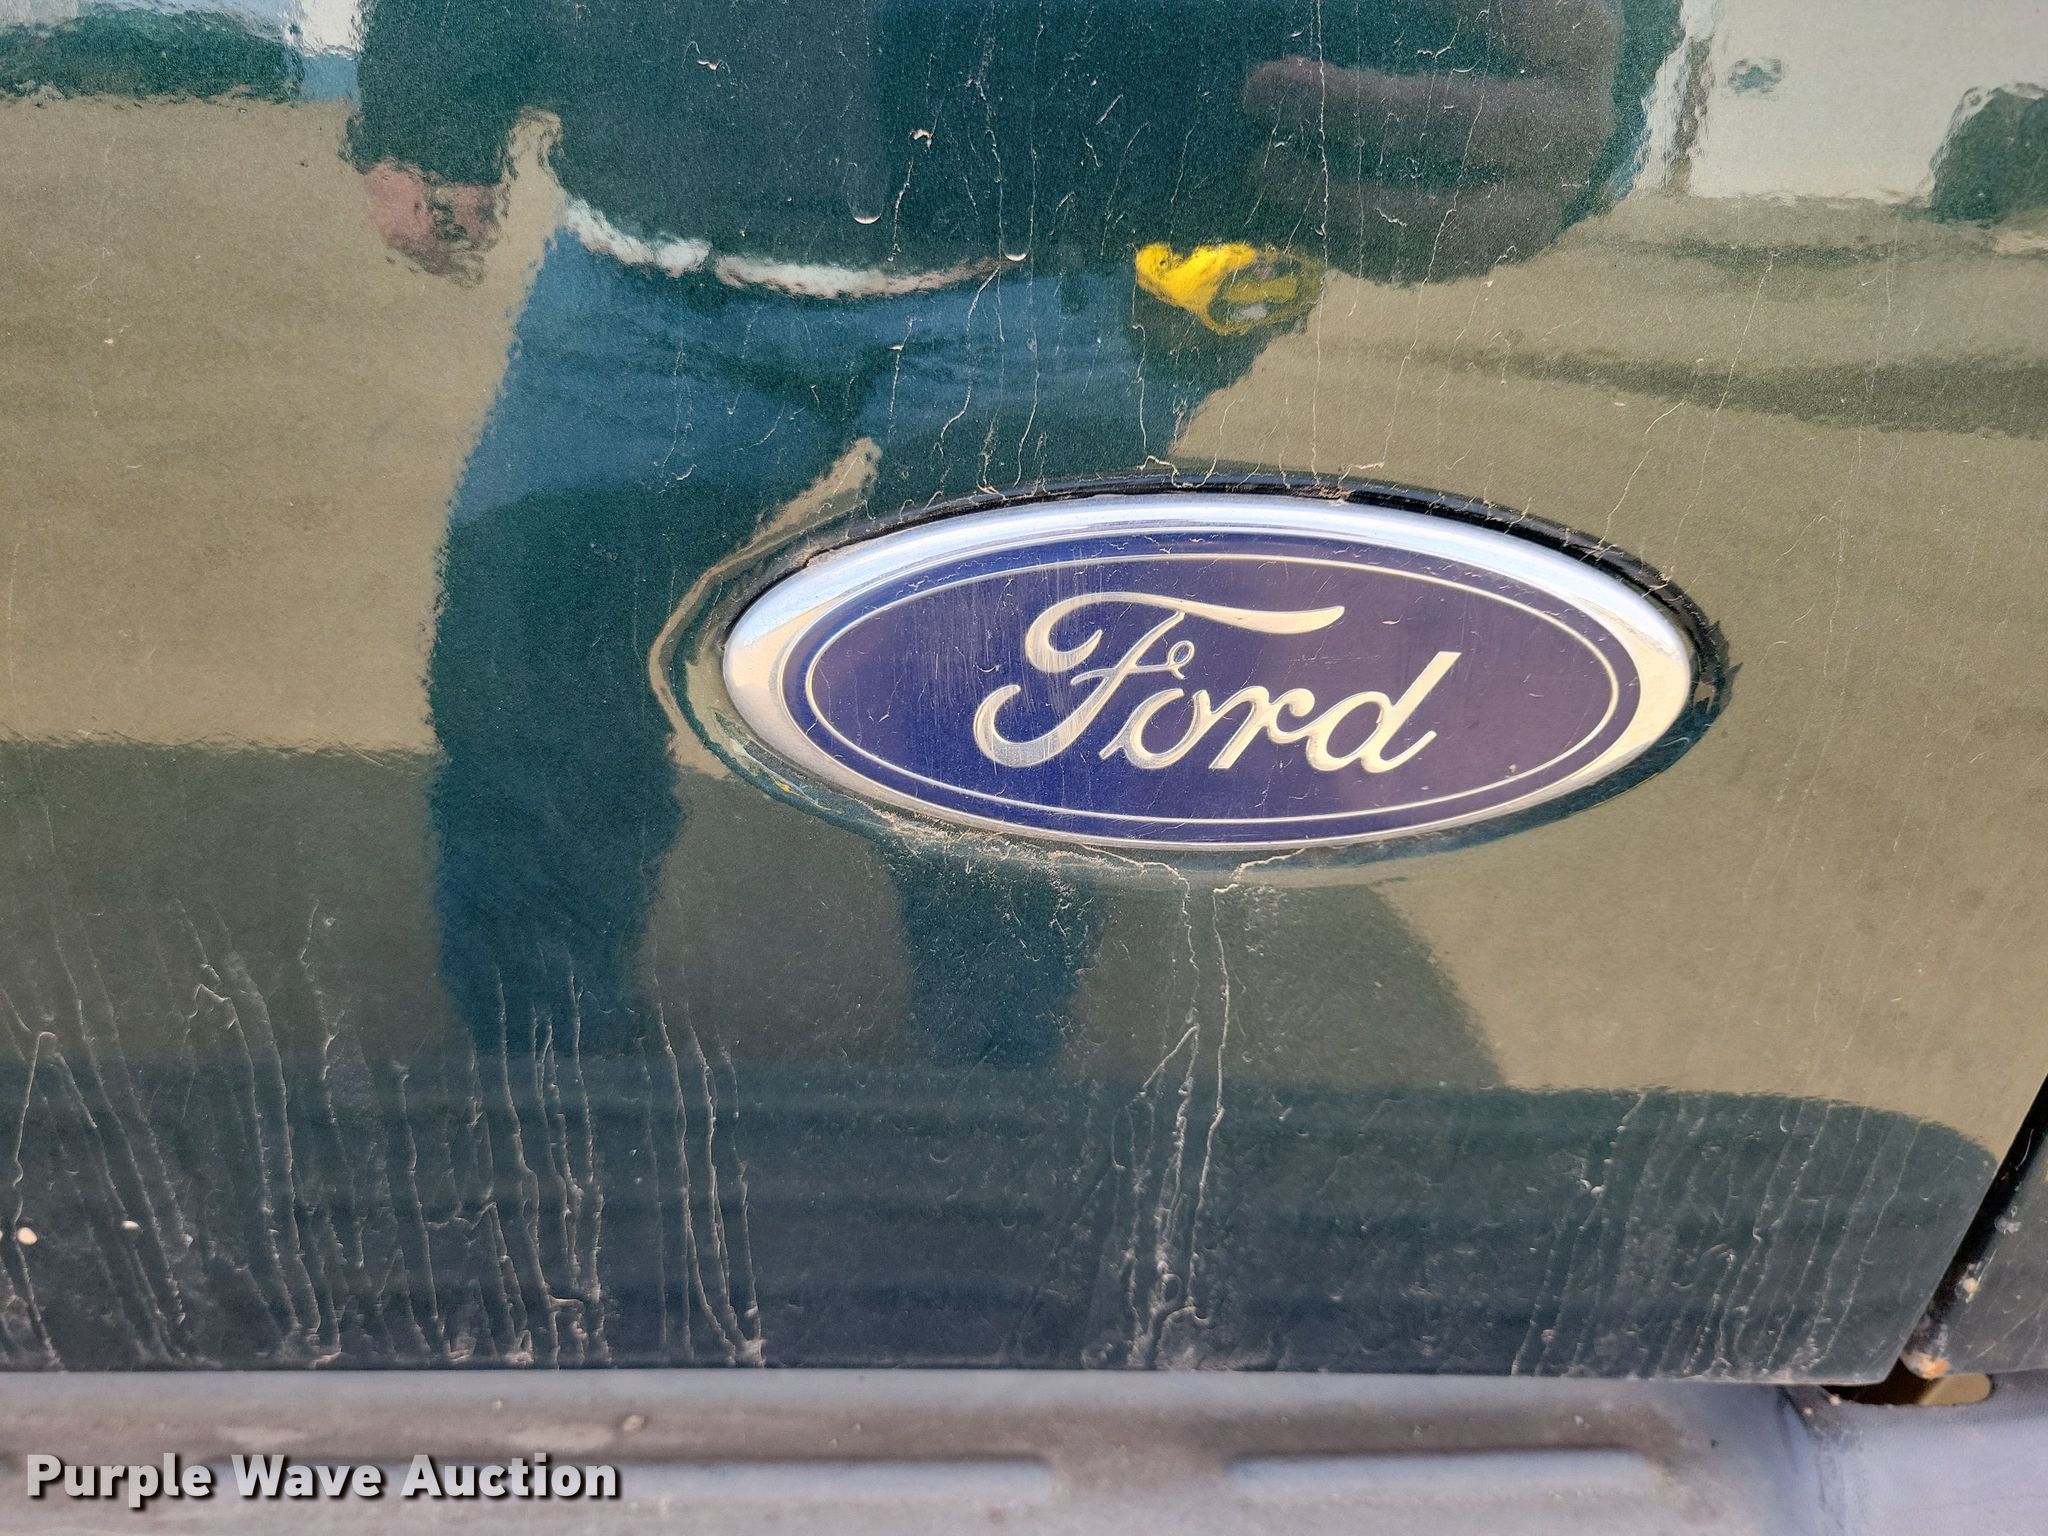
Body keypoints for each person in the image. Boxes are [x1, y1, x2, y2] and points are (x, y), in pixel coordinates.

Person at [349, 0, 1675, 1063]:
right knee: (525, 663)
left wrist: (1575, 105)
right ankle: (541, 1064)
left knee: (1004, 718)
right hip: (650, 270)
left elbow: (1559, 66)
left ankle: (991, 1090)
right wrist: (430, 108)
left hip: (1057, 275)